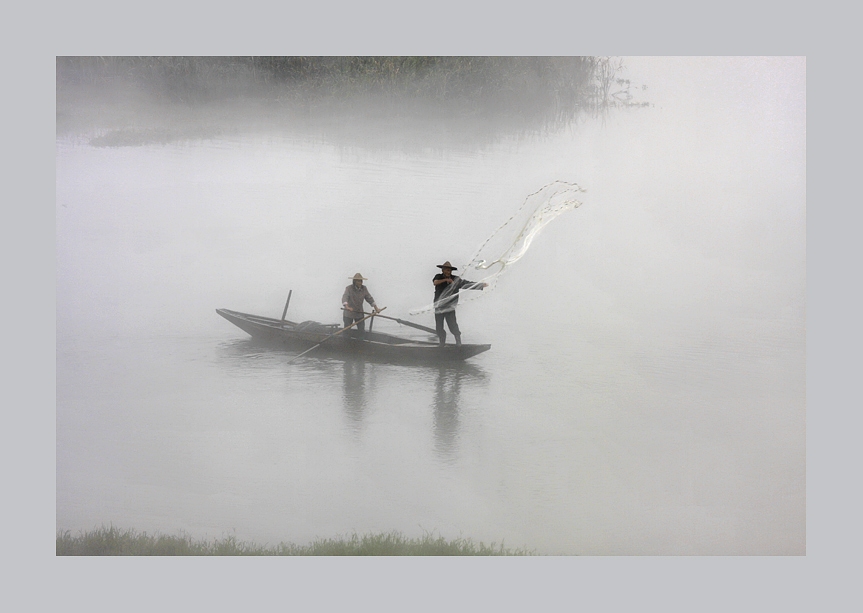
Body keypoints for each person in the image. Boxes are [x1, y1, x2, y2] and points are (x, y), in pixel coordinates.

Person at [432, 261, 487, 346]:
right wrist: (446, 280)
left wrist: (480, 285)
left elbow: (466, 284)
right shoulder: (438, 277)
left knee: (453, 325)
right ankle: (442, 344)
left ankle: (458, 342)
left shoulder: (456, 279)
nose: (448, 272)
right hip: (439, 307)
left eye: (449, 271)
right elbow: (435, 282)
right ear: (442, 270)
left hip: (450, 307)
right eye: (446, 270)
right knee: (439, 327)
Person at [342, 273, 380, 337]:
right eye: (358, 281)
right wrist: (347, 307)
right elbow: (345, 297)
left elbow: (369, 298)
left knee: (361, 330)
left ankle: (360, 344)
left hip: (359, 313)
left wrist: (376, 308)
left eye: (361, 281)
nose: (360, 283)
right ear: (354, 281)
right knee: (347, 331)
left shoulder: (364, 289)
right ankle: (346, 343)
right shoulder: (349, 288)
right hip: (349, 313)